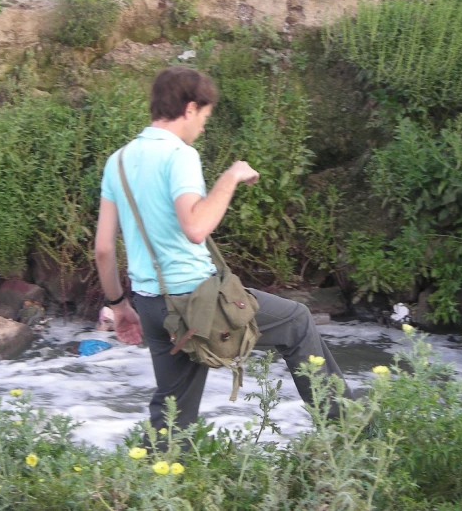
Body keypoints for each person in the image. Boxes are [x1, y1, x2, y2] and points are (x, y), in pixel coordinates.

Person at [94, 66, 353, 434]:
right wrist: (230, 177)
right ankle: (350, 432)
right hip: (197, 302)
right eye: (204, 117)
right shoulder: (179, 155)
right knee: (296, 321)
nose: (203, 127)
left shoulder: (116, 162)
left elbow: (103, 249)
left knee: (173, 415)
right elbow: (196, 227)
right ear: (189, 108)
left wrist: (119, 306)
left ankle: (157, 486)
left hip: (151, 305)